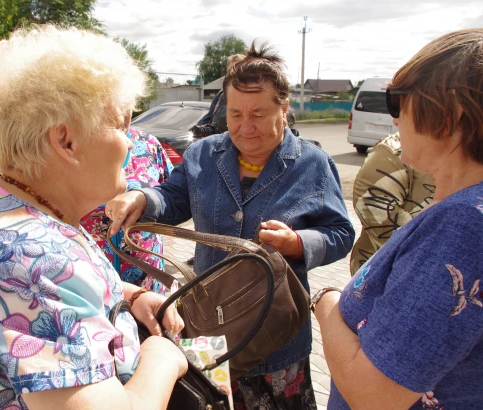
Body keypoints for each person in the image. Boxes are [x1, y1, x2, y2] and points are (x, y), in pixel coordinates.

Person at [0, 26, 186, 410]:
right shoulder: (26, 257)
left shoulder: (0, 198)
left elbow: (57, 296)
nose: (130, 142)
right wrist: (162, 358)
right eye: (118, 125)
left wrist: (130, 296)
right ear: (66, 141)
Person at [107, 41, 355, 409]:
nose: (245, 127)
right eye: (236, 114)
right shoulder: (204, 154)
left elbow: (340, 233)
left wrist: (298, 243)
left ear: (284, 109)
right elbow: (174, 198)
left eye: (258, 114)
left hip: (277, 331)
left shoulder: (312, 164)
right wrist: (143, 199)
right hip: (211, 326)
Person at [313, 29, 483, 409]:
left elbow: (373, 396)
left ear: (450, 110)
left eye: (398, 100)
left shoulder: (464, 225)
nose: (394, 117)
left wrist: (325, 302)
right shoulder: (461, 208)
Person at [80, 127, 173, 295]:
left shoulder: (147, 143)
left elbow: (170, 194)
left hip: (148, 284)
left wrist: (145, 199)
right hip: (89, 286)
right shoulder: (69, 146)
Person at [349, 132, 435, 275]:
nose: (395, 118)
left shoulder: (471, 152)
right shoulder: (392, 152)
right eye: (395, 109)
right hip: (385, 279)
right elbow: (376, 214)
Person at [192, 54, 246, 138]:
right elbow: (209, 117)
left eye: (237, 70)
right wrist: (198, 129)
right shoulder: (221, 94)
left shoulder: (249, 97)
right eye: (230, 71)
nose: (232, 75)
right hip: (214, 141)